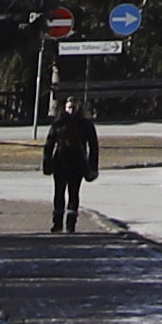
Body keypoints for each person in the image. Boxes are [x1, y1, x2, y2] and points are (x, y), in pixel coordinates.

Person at [41, 96, 102, 233]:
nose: (71, 110)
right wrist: (47, 164)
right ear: (64, 108)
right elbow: (49, 144)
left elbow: (94, 147)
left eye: (74, 107)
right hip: (60, 163)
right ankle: (57, 224)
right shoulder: (58, 124)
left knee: (73, 194)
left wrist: (93, 167)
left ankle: (70, 224)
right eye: (69, 107)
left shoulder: (86, 125)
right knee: (59, 193)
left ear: (79, 107)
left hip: (77, 164)